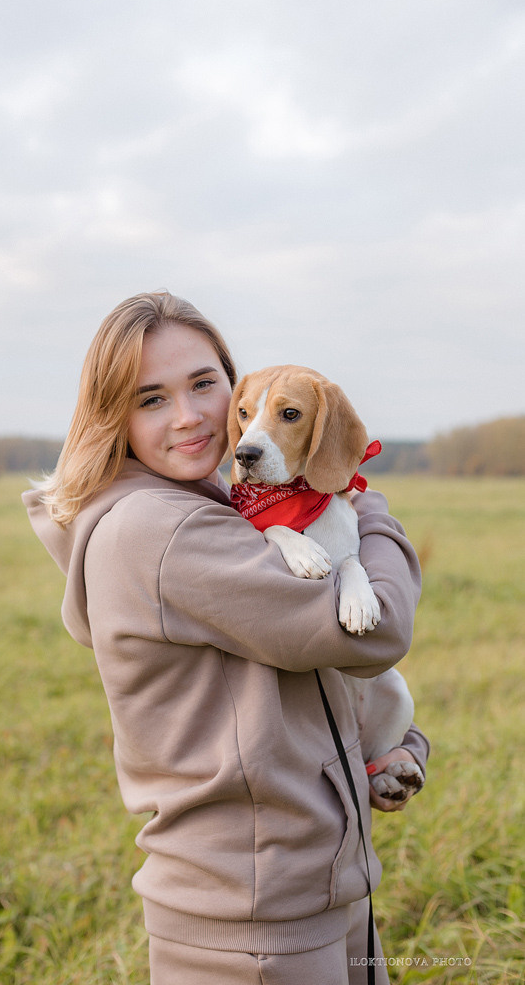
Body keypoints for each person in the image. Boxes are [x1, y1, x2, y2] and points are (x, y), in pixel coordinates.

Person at [22, 291, 429, 985]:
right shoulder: (164, 529)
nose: (187, 416)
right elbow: (376, 630)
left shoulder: (225, 506)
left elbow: (300, 683)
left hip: (316, 884)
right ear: (113, 416)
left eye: (204, 384)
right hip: (254, 920)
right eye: (151, 399)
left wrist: (391, 751)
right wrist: (363, 505)